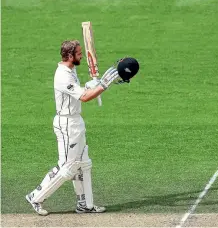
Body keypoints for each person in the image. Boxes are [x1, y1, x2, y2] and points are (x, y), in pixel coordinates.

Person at [25, 40, 138, 215]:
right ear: (69, 56)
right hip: (67, 124)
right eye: (78, 54)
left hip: (76, 121)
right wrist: (103, 85)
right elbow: (84, 98)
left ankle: (85, 204)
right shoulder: (63, 75)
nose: (81, 56)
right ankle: (35, 196)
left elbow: (79, 91)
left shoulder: (71, 69)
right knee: (68, 167)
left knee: (84, 163)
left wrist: (89, 85)